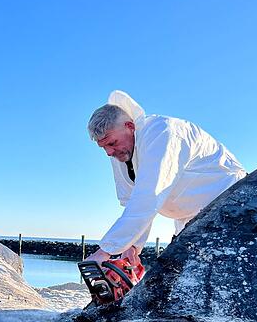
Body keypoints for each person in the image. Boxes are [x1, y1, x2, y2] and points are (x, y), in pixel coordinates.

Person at [84, 90, 246, 266]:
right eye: (103, 147)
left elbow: (149, 196)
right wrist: (132, 246)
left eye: (111, 143)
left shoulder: (161, 132)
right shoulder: (121, 152)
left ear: (130, 126)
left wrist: (105, 251)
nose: (109, 152)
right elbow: (132, 202)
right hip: (189, 218)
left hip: (231, 203)